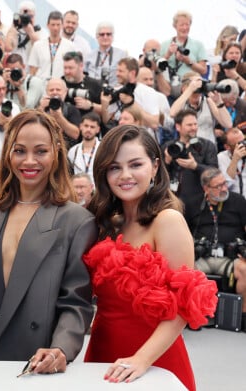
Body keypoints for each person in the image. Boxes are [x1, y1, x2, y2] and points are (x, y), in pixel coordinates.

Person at [83, 124, 218, 391]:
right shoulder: (105, 223)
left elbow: (182, 305)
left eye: (135, 165)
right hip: (102, 351)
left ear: (155, 167)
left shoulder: (168, 221)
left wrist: (141, 360)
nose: (125, 175)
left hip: (154, 361)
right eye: (114, 167)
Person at [0, 110, 96, 368]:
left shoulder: (77, 221)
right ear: (7, 154)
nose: (30, 161)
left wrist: (61, 348)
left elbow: (76, 302)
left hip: (35, 356)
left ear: (56, 153)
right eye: (20, 150)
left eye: (41, 151)